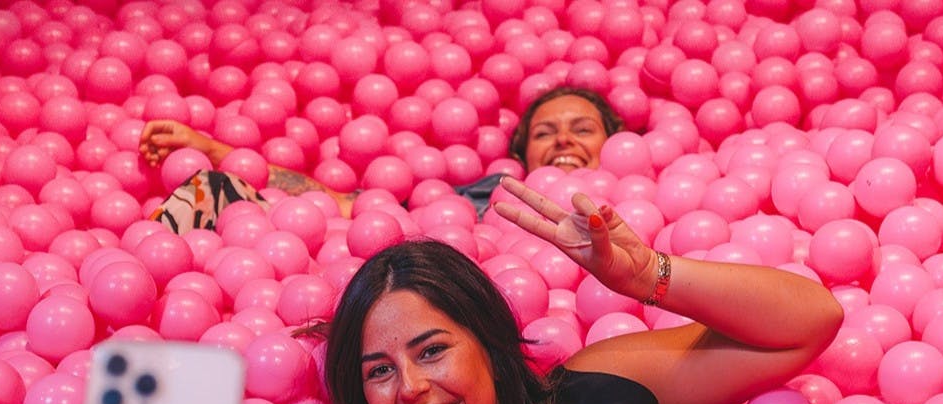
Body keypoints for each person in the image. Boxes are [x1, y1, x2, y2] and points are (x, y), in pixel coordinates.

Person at [321, 177, 845, 404]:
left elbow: (811, 321)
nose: (410, 387)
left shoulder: (597, 387)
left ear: (489, 344)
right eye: (381, 371)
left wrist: (649, 276)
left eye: (432, 350)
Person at [138, 86, 622, 228]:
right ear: (522, 153)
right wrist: (216, 152)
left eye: (582, 130)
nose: (562, 141)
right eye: (545, 132)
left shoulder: (641, 205)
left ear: (617, 143)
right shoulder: (484, 196)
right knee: (215, 191)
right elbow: (347, 207)